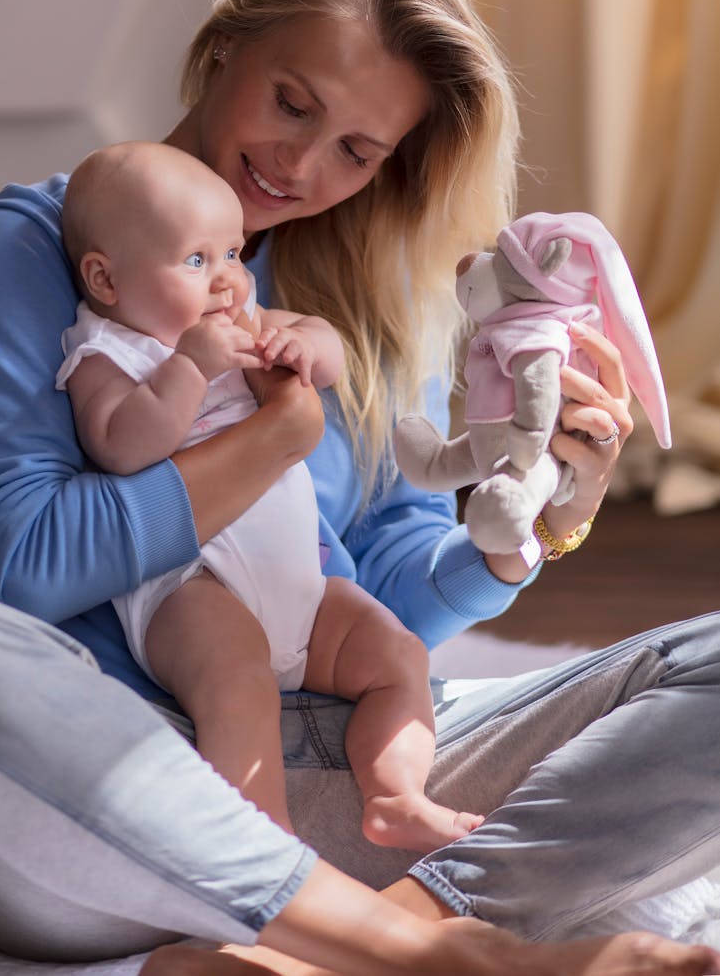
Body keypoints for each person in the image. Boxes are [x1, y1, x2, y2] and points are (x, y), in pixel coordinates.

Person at [0, 0, 720, 976]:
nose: (300, 165)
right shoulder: (43, 244)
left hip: (352, 769)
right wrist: (277, 437)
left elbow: (391, 594)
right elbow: (24, 563)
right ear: (225, 45)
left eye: (356, 151)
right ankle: (447, 955)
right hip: (128, 788)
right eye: (291, 103)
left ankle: (345, 943)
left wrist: (521, 530)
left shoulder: (372, 298)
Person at [56, 139, 481, 852]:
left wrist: (306, 346)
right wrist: (189, 367)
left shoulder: (241, 322)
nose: (225, 281)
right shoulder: (107, 355)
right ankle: (261, 840)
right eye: (196, 261)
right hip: (189, 586)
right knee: (236, 680)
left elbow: (328, 348)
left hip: (302, 587)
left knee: (396, 656)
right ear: (105, 279)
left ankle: (394, 792)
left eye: (233, 254)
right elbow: (121, 445)